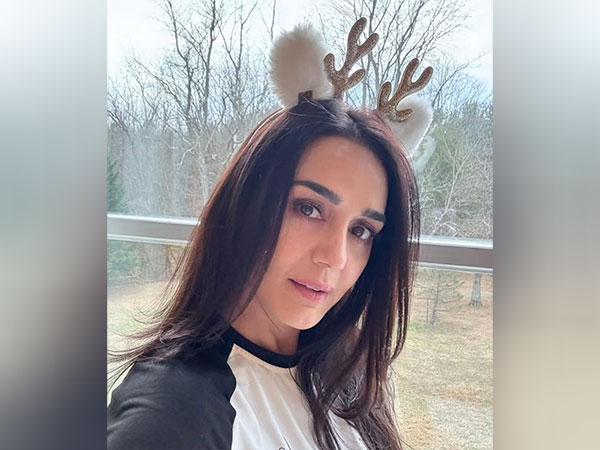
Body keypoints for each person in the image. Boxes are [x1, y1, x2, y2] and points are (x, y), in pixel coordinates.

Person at [107, 18, 433, 450]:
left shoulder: (348, 369)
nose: (335, 257)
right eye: (309, 208)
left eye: (361, 230)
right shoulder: (174, 415)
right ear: (248, 204)